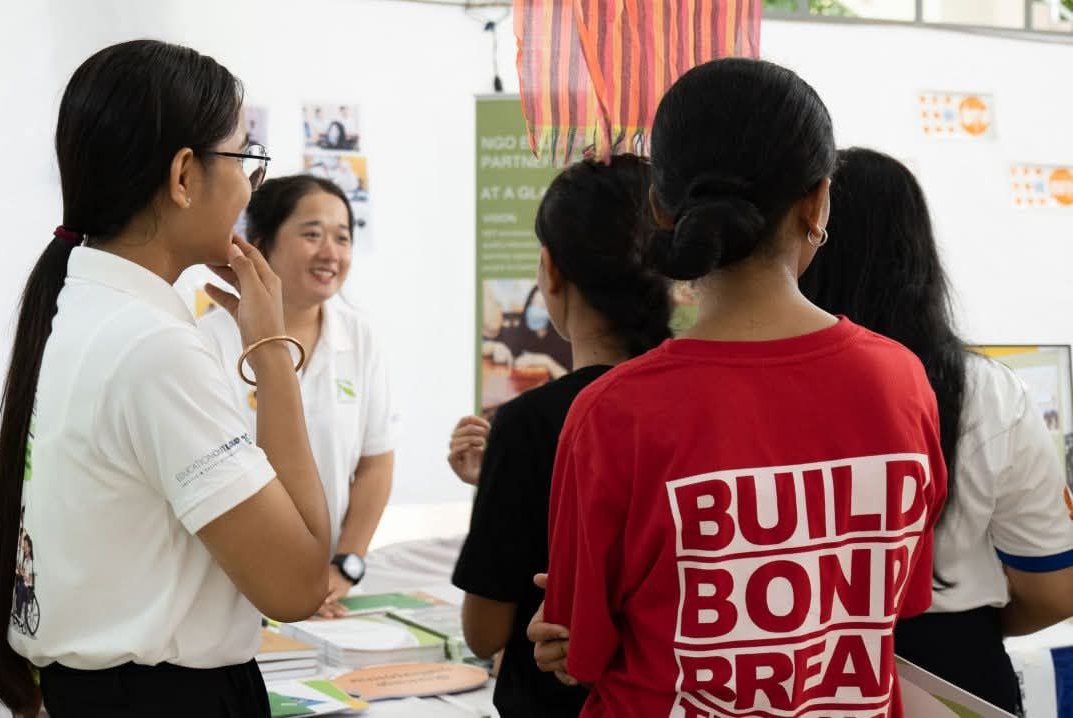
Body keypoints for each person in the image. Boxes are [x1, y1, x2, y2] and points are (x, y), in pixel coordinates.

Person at [529, 58, 946, 717]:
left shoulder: (614, 411)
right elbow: (898, 598)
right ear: (818, 203)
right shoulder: (900, 381)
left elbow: (581, 651)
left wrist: (565, 639)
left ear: (660, 208)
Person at [0, 40, 330, 717]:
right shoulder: (154, 347)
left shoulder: (82, 305)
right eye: (245, 159)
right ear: (184, 175)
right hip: (168, 698)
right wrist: (270, 350)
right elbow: (298, 583)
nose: (250, 186)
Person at [798, 148, 1073, 712]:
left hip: (799, 657)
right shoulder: (990, 392)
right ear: (920, 252)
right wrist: (971, 624)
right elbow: (1053, 588)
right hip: (957, 666)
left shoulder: (765, 386)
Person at [448, 154, 672, 717]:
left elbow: (484, 632)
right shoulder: (705, 398)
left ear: (549, 270)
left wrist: (498, 490)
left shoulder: (530, 423)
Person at [199, 175, 396, 619]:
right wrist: (283, 585)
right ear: (261, 244)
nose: (330, 253)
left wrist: (344, 566)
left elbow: (375, 463)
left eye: (342, 238)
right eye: (312, 234)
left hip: (325, 596)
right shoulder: (208, 341)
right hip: (230, 594)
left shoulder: (360, 339)